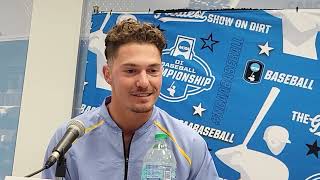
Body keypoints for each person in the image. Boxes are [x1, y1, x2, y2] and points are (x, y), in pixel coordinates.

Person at [42, 19, 219, 180]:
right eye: (130, 71)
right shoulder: (69, 139)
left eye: (152, 70)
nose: (143, 82)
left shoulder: (189, 144)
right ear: (107, 74)